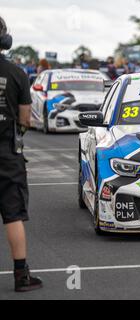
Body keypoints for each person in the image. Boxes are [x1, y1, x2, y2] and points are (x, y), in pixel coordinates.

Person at [0, 16, 43, 292]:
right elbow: (26, 119)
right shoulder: (16, 73)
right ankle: (21, 276)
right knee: (13, 215)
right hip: (6, 155)